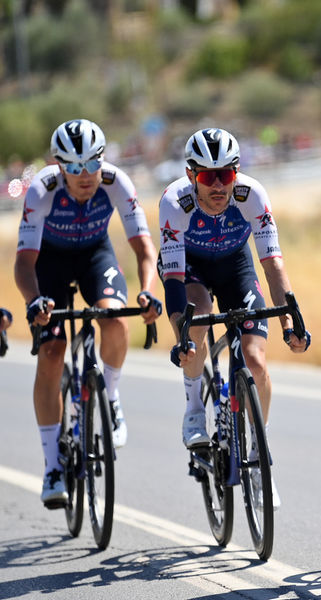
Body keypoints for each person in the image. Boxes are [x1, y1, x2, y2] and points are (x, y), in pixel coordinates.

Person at [159, 127, 310, 510]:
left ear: (236, 173)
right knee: (198, 323)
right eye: (208, 177)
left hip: (235, 267)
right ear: (192, 175)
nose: (218, 186)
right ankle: (194, 409)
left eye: (225, 175)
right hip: (190, 271)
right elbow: (174, 280)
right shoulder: (175, 203)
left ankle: (259, 454)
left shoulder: (252, 195)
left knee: (256, 360)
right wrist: (182, 337)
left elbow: (273, 264)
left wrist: (291, 320)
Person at [14, 119, 161, 508]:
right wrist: (34, 301)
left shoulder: (116, 183)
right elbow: (24, 263)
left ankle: (110, 397)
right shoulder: (41, 189)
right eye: (73, 167)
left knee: (113, 317)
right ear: (58, 165)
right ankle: (52, 467)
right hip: (50, 264)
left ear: (102, 160)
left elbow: (146, 250)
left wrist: (147, 292)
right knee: (52, 351)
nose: (85, 175)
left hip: (96, 255)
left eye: (91, 164)